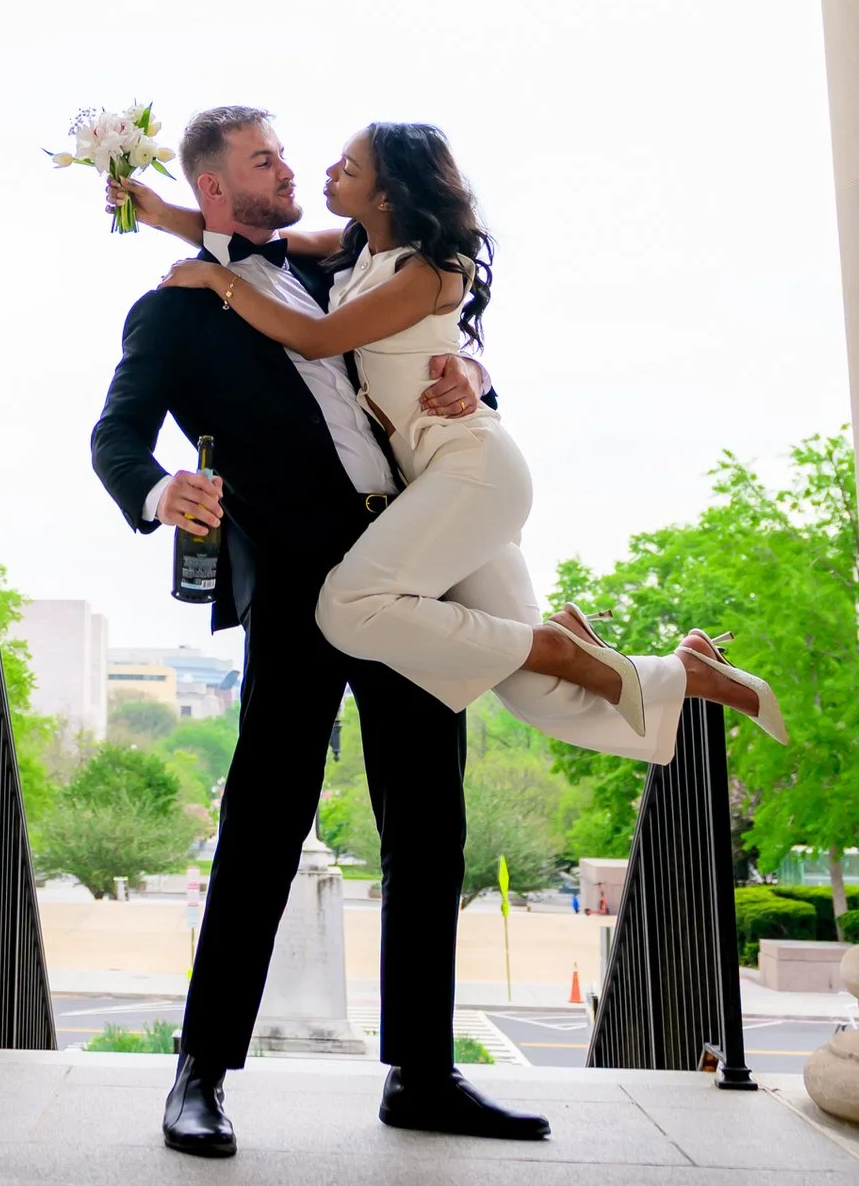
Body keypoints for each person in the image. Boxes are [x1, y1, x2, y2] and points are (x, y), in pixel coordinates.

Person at [91, 107, 551, 1158]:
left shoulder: (342, 267)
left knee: (431, 822)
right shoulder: (173, 312)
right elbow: (114, 435)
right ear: (217, 189)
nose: (291, 167)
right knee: (261, 827)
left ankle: (423, 1075)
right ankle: (198, 1075)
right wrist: (160, 492)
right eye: (266, 159)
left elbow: (435, 347)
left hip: (408, 566)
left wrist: (470, 379)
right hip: (297, 589)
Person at [129, 119, 786, 759]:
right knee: (538, 697)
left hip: (473, 476)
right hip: (435, 483)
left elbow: (317, 338)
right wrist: (162, 215)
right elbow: (252, 235)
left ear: (387, 194)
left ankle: (557, 644)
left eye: (349, 167)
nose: (323, 171)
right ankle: (685, 669)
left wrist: (220, 280)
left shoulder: (432, 270)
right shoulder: (354, 252)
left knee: (349, 607)